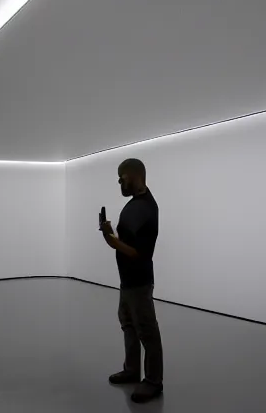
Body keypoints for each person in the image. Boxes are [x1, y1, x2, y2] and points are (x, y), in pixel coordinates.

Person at [99, 158, 164, 404]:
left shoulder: (147, 207)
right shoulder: (135, 204)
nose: (119, 182)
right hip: (127, 282)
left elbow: (141, 252)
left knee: (147, 331)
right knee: (128, 325)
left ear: (135, 176)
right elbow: (129, 241)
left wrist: (111, 240)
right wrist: (112, 233)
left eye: (122, 177)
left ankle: (154, 382)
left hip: (139, 282)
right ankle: (132, 370)